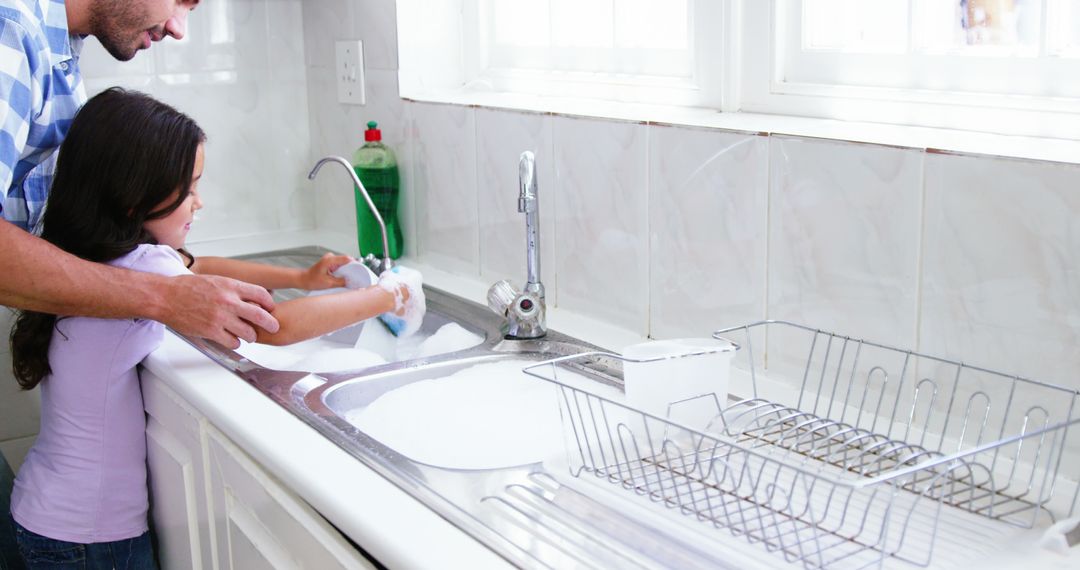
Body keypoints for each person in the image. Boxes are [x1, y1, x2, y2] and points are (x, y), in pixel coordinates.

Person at [7, 88, 418, 569]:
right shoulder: (145, 266)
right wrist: (389, 295)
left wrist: (301, 277)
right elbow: (272, 326)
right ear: (133, 197)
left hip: (46, 513)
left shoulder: (87, 251)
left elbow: (198, 268)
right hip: (91, 537)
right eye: (189, 188)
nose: (198, 203)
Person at [0, 0, 280, 349]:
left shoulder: (58, 52)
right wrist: (166, 298)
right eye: (181, 1)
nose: (179, 28)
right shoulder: (11, 33)